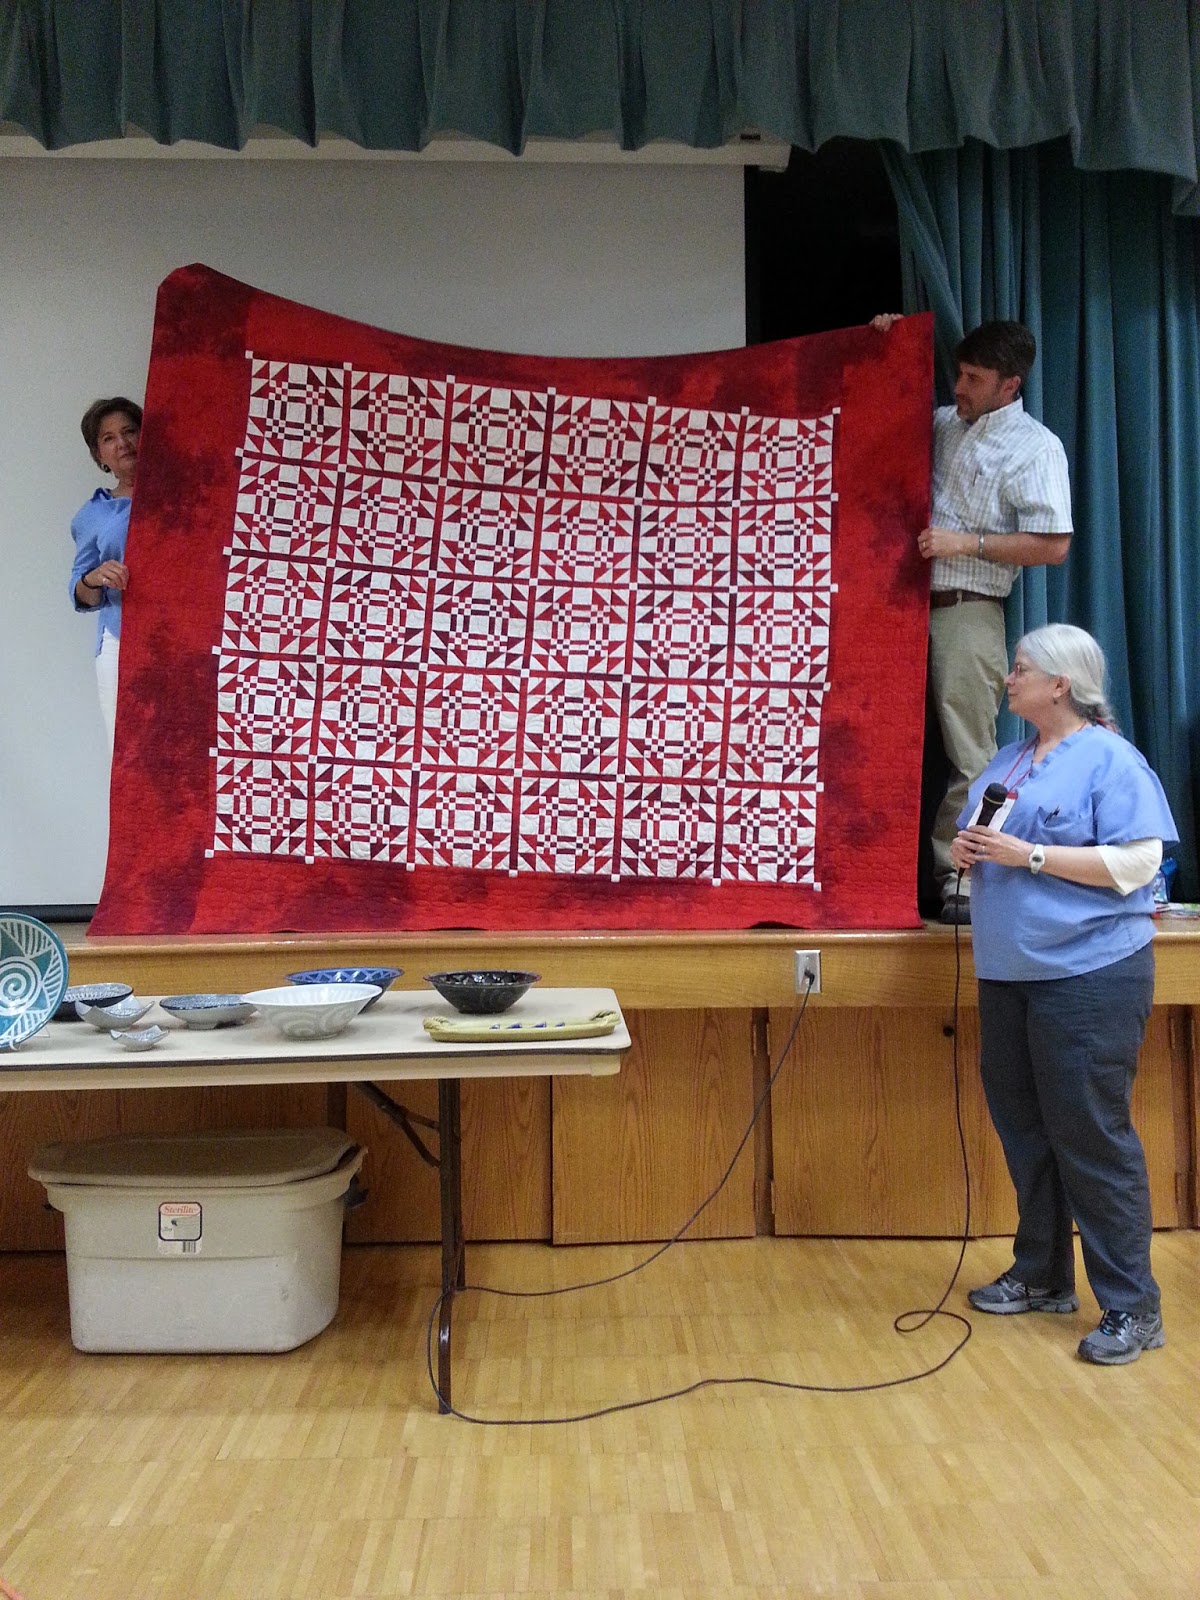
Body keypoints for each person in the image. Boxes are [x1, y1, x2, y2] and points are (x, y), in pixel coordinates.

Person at [951, 624, 1176, 1365]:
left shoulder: (1111, 759)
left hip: (1089, 975)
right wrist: (970, 848)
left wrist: (1032, 855)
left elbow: (1139, 861)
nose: (1008, 679)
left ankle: (1133, 1307)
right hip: (1010, 974)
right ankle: (1043, 1274)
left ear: (1061, 685)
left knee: (1091, 1135)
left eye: (1021, 669)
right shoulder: (1013, 758)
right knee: (1026, 1129)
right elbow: (983, 836)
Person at [872, 317, 1073, 924]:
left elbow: (1054, 544)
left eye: (973, 378)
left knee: (971, 751)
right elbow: (874, 413)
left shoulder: (1036, 447)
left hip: (967, 609)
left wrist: (968, 543)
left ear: (1010, 385)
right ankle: (871, 874)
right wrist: (884, 343)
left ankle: (959, 876)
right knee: (875, 739)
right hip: (895, 604)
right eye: (958, 373)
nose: (957, 386)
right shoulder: (942, 426)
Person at [69, 397, 141, 750]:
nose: (123, 443)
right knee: (129, 751)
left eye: (130, 431)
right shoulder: (92, 514)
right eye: (109, 438)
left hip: (182, 636)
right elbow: (79, 590)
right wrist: (93, 577)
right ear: (99, 455)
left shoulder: (183, 494)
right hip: (120, 638)